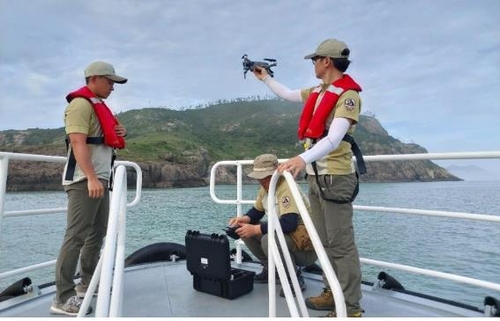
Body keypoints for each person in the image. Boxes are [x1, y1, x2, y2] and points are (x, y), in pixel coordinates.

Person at [251, 39, 364, 317]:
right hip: (316, 179)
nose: (313, 63)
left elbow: (335, 138)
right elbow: (287, 93)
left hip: (336, 179)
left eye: (315, 59)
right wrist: (265, 79)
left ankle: (350, 308)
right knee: (324, 241)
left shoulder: (347, 96)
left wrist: (302, 159)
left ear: (327, 61)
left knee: (341, 244)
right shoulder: (318, 90)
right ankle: (330, 292)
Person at [50, 61, 128, 316]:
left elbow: (100, 140)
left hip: (100, 178)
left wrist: (118, 132)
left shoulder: (97, 106)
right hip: (85, 180)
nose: (112, 87)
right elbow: (77, 142)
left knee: (98, 231)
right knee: (76, 236)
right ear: (94, 79)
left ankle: (87, 283)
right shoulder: (80, 105)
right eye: (109, 81)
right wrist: (92, 178)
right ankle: (62, 297)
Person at [228, 153, 317, 298]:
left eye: (265, 176)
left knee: (268, 238)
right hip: (291, 239)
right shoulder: (266, 187)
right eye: (259, 177)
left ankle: (294, 277)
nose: (261, 180)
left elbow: (289, 224)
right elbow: (256, 212)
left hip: (306, 248)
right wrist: (243, 219)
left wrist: (256, 229)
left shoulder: (286, 187)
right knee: (244, 229)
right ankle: (271, 270)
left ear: (276, 172)